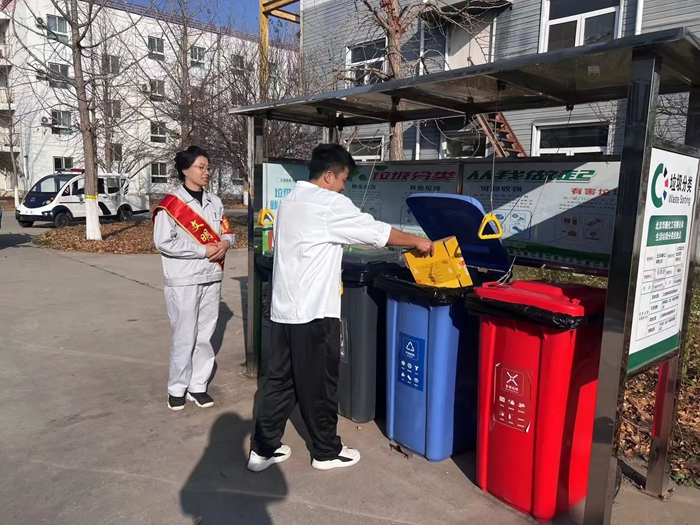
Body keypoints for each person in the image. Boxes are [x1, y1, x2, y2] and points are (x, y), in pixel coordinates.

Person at [248, 143, 433, 472]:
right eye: (343, 179)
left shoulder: (290, 201)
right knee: (319, 384)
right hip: (315, 312)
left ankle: (262, 449)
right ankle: (326, 452)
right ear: (329, 176)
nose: (344, 187)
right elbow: (375, 232)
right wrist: (417, 241)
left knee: (280, 381)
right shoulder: (328, 203)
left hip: (285, 311)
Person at [153, 146, 234, 411]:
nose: (206, 172)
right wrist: (202, 250)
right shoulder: (170, 206)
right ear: (185, 170)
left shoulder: (215, 201)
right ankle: (177, 388)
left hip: (211, 276)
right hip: (184, 279)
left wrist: (225, 243)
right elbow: (164, 242)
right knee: (184, 335)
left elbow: (227, 231)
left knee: (205, 335)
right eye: (201, 167)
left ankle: (198, 385)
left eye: (208, 167)